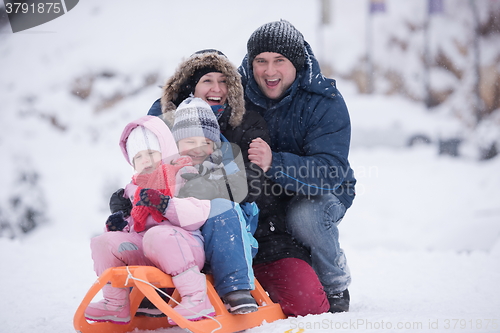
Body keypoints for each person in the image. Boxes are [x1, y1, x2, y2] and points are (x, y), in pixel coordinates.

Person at [239, 20, 357, 316]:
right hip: (266, 193)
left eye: (280, 61)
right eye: (261, 61)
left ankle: (334, 283)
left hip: (324, 188)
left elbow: (330, 170)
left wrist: (274, 162)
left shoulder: (323, 100)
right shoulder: (236, 90)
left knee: (304, 217)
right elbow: (191, 95)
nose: (269, 71)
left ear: (297, 62)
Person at [144, 50, 271, 313]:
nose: (217, 88)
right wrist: (129, 198)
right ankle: (150, 290)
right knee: (153, 218)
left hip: (224, 221)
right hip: (179, 219)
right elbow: (146, 175)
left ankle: (235, 288)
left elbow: (246, 183)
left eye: (223, 81)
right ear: (190, 87)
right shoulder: (164, 126)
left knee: (221, 211)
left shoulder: (232, 140)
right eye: (208, 80)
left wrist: (204, 189)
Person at [85, 115, 216, 325]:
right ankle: (115, 303)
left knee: (157, 235)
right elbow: (132, 226)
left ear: (165, 151)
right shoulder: (131, 191)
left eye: (151, 153)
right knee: (102, 242)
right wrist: (117, 224)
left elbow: (198, 213)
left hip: (183, 246)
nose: (145, 160)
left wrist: (166, 204)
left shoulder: (185, 174)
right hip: (144, 249)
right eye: (138, 157)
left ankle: (196, 298)